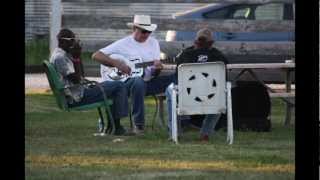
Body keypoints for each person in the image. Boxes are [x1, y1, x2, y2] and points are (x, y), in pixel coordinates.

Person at [92, 15, 174, 134]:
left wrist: (157, 69)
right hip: (124, 84)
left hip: (147, 82)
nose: (146, 35)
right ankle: (139, 125)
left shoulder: (153, 43)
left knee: (175, 78)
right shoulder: (123, 43)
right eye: (144, 31)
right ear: (134, 28)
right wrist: (117, 64)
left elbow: (153, 72)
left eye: (149, 32)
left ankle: (184, 122)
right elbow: (96, 55)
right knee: (137, 81)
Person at [49, 28, 129, 135]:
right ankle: (116, 126)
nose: (74, 43)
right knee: (119, 86)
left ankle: (113, 126)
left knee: (112, 86)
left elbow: (81, 75)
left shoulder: (61, 53)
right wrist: (76, 58)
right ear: (62, 41)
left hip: (78, 91)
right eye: (72, 40)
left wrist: (77, 57)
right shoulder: (60, 57)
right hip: (77, 97)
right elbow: (77, 79)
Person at [165, 28, 229, 142]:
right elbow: (224, 76)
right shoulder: (218, 57)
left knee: (170, 91)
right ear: (211, 43)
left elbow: (178, 77)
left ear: (195, 41)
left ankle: (175, 132)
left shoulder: (185, 55)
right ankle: (206, 132)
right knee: (222, 95)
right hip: (211, 97)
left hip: (187, 97)